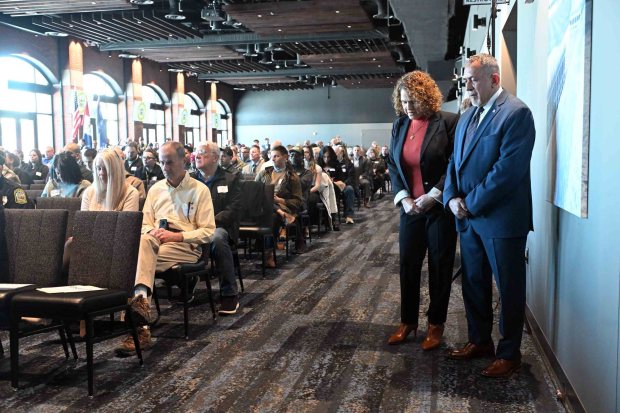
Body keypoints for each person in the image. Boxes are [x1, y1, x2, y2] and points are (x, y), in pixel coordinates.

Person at [443, 54, 536, 378]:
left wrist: (469, 202)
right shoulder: (467, 116)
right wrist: (451, 197)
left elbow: (507, 172)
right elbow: (454, 162)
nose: (467, 86)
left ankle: (510, 353)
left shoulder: (516, 113)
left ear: (494, 80)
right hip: (468, 219)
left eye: (473, 79)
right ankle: (479, 341)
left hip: (501, 220)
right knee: (474, 282)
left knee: (509, 287)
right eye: (465, 80)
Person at [116, 141, 215, 355]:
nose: (164, 167)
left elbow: (208, 232)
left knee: (132, 261)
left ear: (184, 160)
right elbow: (144, 224)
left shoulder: (200, 190)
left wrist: (177, 236)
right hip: (155, 242)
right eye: (161, 162)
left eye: (169, 162)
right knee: (144, 246)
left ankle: (135, 322)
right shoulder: (156, 189)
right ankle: (140, 322)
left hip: (185, 245)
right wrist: (153, 232)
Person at [386, 70, 458, 352]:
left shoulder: (449, 122)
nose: (408, 108)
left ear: (427, 97)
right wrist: (403, 198)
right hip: (410, 208)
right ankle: (408, 322)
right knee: (408, 265)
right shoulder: (399, 124)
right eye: (404, 102)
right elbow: (393, 164)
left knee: (440, 267)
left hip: (438, 208)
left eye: (413, 102)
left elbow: (454, 164)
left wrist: (435, 195)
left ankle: (436, 325)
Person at [191, 141, 241, 314]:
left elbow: (233, 210)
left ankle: (229, 294)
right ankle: (186, 285)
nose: (196, 155)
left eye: (202, 153)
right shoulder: (190, 179)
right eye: (196, 152)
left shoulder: (231, 178)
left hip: (221, 226)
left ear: (214, 158)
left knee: (217, 238)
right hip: (192, 226)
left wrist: (208, 223)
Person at [255, 145, 303, 268]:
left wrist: (280, 199)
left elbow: (297, 202)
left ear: (285, 157)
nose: (273, 159)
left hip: (282, 206)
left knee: (272, 217)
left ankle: (269, 253)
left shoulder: (292, 177)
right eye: (272, 156)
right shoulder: (264, 173)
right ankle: (267, 252)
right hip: (263, 206)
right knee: (267, 203)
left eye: (276, 156)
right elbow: (254, 191)